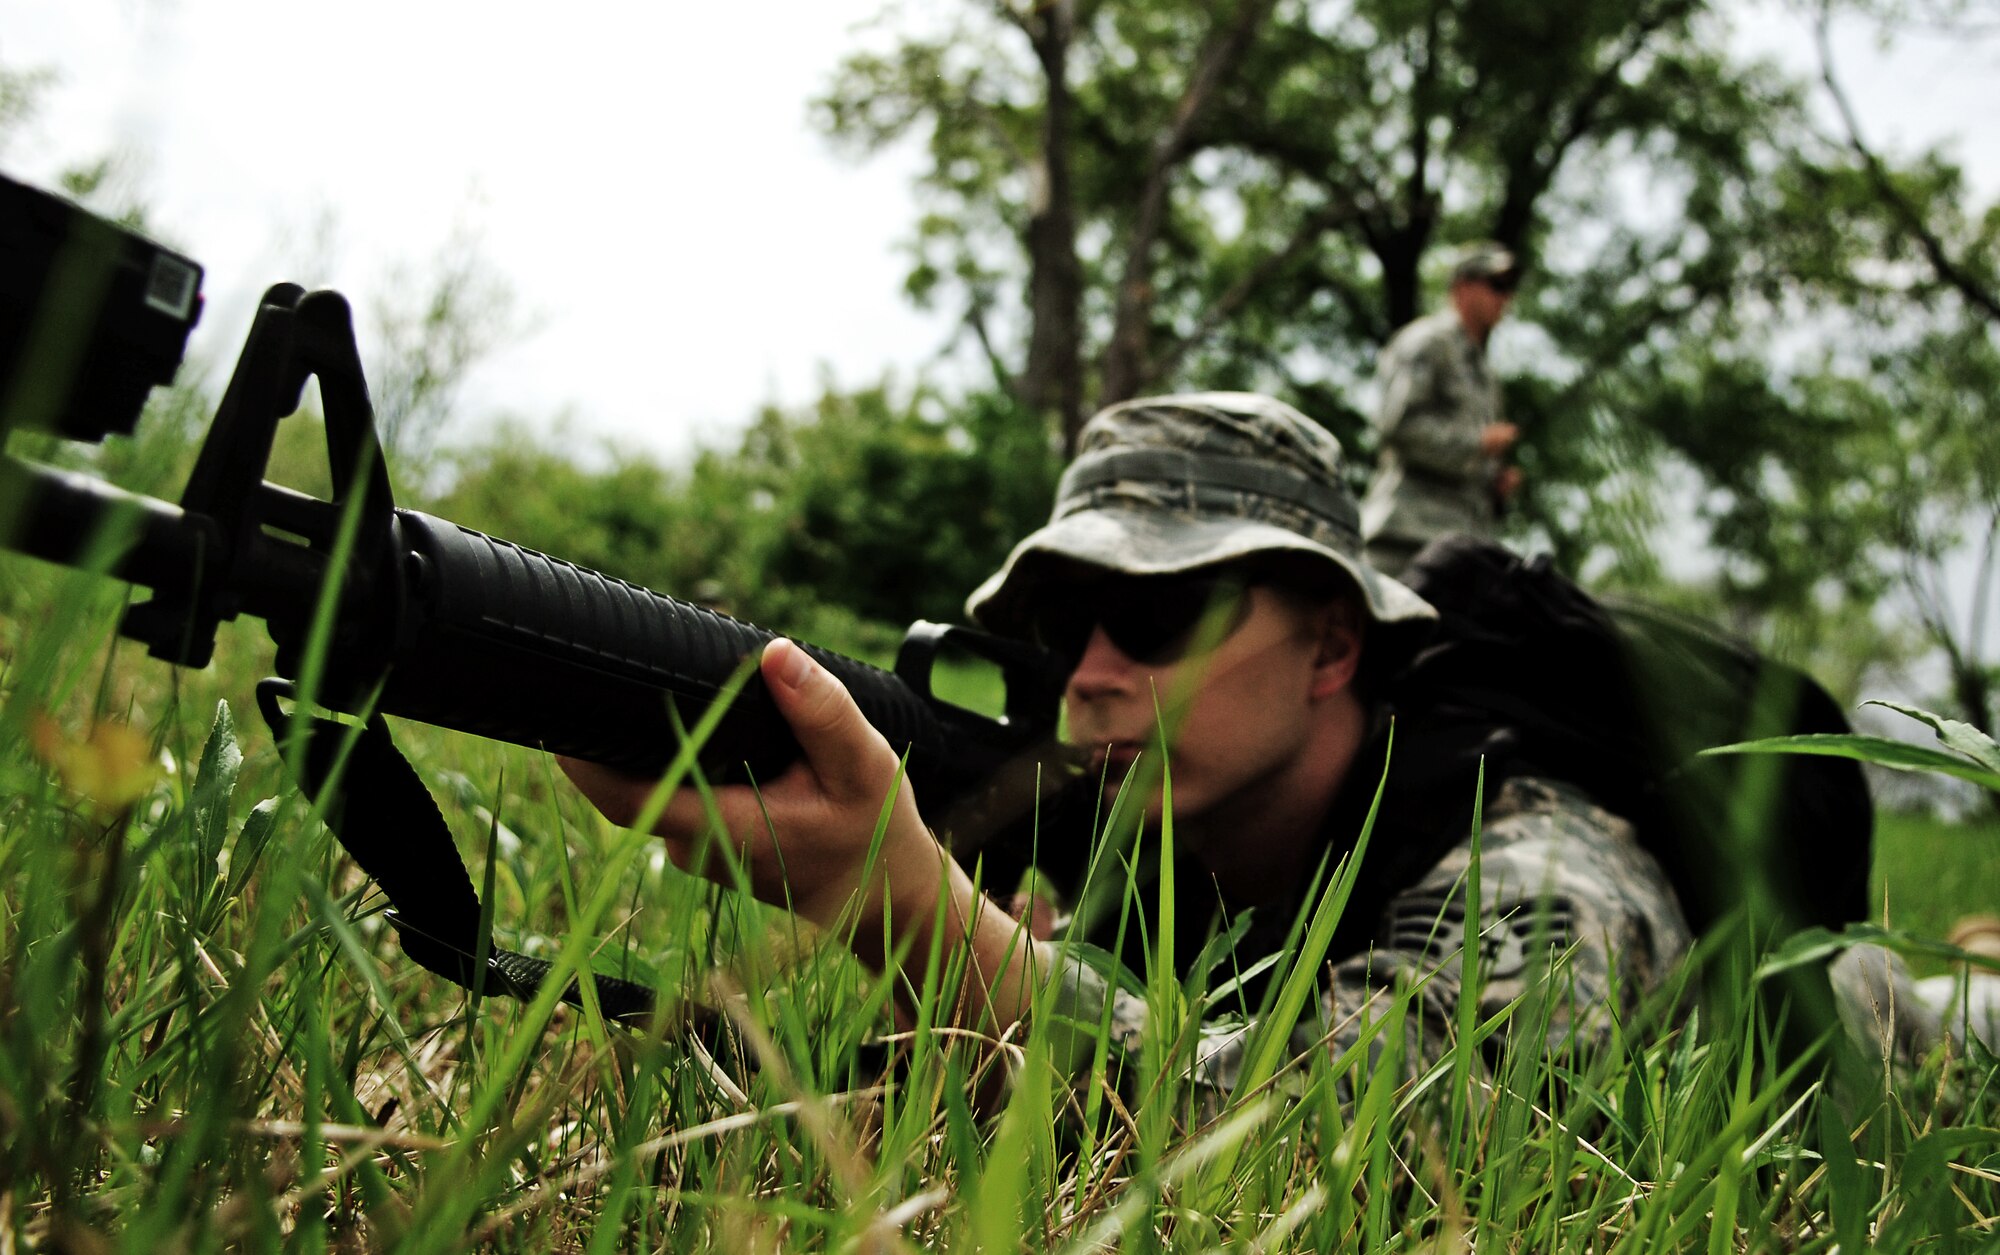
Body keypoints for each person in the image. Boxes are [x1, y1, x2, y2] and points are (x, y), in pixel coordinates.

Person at [560, 392, 1691, 1102]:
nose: (1092, 674)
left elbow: (1369, 1128)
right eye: (1064, 627)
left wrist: (919, 919)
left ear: (1330, 646)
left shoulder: (1538, 854)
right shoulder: (1150, 853)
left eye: (1158, 617)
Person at [1360, 242, 1522, 577]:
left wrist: (1494, 484)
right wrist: (1477, 444)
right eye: (1496, 285)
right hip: (1406, 540)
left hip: (1463, 545)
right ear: (1463, 287)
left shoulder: (1487, 376)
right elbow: (1398, 427)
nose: (1505, 298)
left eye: (1509, 289)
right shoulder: (1426, 342)